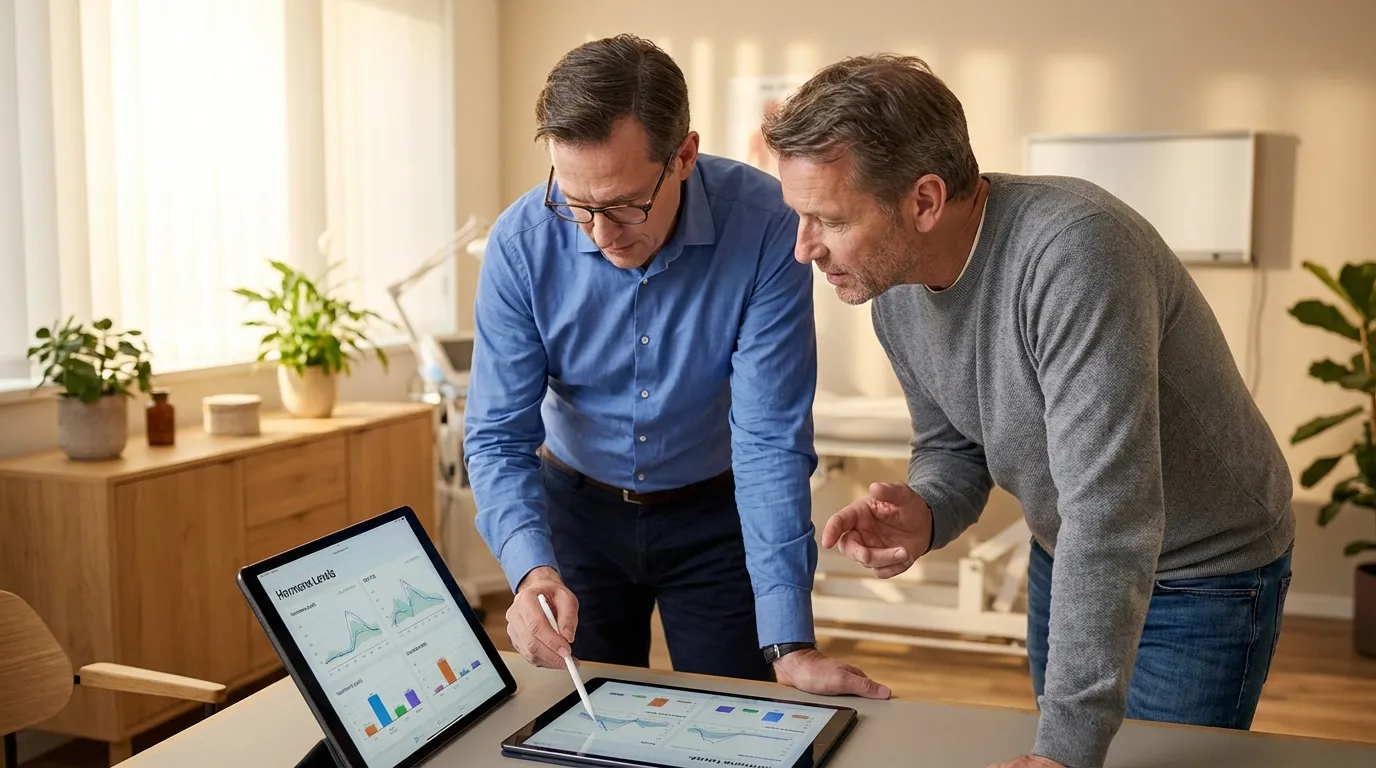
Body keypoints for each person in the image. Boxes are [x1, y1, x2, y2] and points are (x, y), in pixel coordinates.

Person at [761, 54, 1295, 768]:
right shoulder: (889, 283)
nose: (804, 249)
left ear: (922, 201)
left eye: (826, 218)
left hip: (1202, 570)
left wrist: (1064, 752)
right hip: (1069, 553)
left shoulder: (1076, 251)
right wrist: (927, 508)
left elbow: (1113, 514)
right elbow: (955, 444)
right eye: (799, 216)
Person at [462, 34, 888, 699]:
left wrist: (789, 641)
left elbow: (769, 438)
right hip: (576, 518)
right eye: (577, 205)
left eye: (626, 204)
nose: (601, 236)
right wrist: (527, 570)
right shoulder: (522, 243)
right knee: (585, 724)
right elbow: (497, 433)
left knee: (736, 721)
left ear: (683, 155)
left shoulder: (768, 229)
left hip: (712, 520)